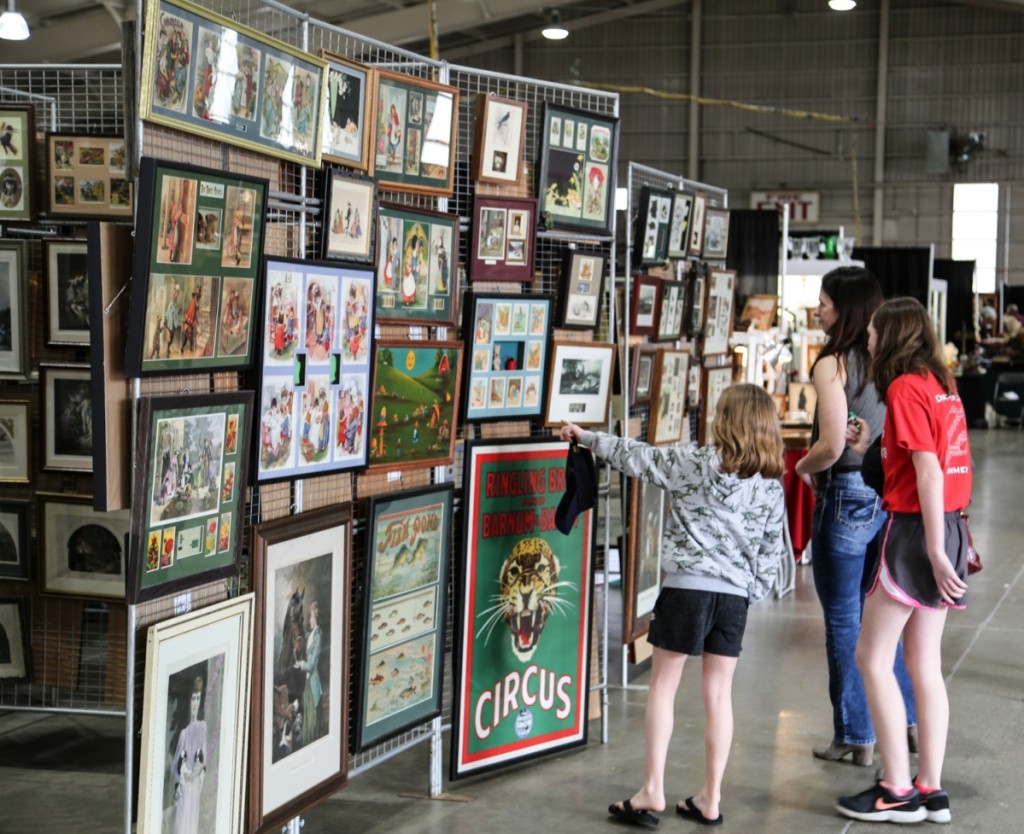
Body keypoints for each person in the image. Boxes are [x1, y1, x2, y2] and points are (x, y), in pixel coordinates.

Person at [560, 383, 785, 827]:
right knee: (719, 696)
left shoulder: (693, 463)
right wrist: (746, 591)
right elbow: (771, 552)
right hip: (733, 599)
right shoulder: (770, 487)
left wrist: (585, 438)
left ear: (724, 421)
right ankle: (711, 799)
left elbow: (635, 455)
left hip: (685, 589)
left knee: (664, 685)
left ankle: (652, 791)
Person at [836, 297, 972, 824]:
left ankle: (895, 789)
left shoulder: (903, 387)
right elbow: (932, 460)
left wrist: (934, 549)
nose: (867, 339)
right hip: (951, 526)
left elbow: (929, 471)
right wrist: (875, 444)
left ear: (892, 336)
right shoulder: (943, 388)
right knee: (923, 663)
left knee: (872, 656)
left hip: (918, 532)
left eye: (872, 332)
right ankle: (930, 788)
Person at [794, 267, 917, 767]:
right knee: (882, 621)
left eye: (823, 302)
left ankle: (856, 734)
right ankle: (905, 722)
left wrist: (800, 468)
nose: (818, 310)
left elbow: (829, 445)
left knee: (844, 621)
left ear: (843, 308)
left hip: (844, 495)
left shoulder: (832, 364)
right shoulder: (889, 362)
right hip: (885, 494)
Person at [172, 675, 208, 834]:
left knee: (192, 826)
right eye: (193, 698)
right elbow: (176, 766)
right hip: (186, 790)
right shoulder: (184, 733)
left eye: (198, 698)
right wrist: (184, 771)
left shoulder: (202, 727)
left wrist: (200, 768)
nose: (195, 703)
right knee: (183, 825)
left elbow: (204, 759)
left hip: (195, 790)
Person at [295, 601, 323, 748]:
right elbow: (304, 636)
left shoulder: (318, 636)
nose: (310, 620)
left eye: (311, 617)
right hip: (308, 682)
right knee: (307, 720)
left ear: (316, 618)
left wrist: (301, 665)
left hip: (313, 684)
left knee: (311, 722)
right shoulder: (312, 634)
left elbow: (311, 666)